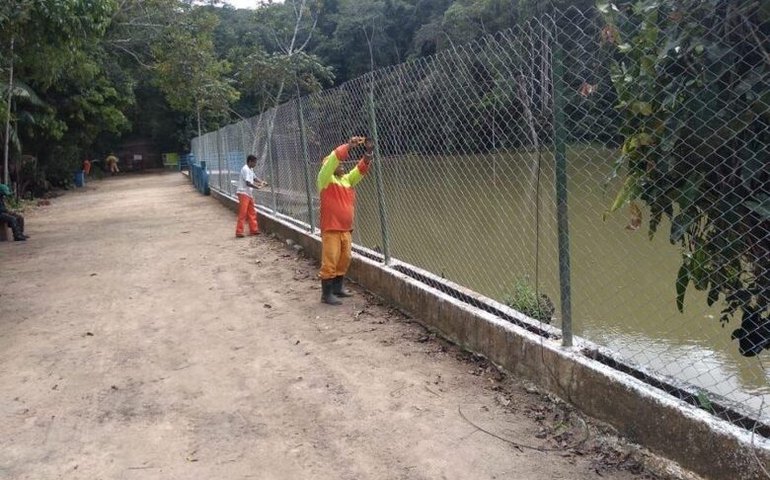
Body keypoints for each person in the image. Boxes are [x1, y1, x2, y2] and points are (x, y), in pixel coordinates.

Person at [317, 135, 374, 305]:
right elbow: (335, 157)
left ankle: (337, 288)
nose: (342, 164)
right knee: (330, 260)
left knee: (345, 258)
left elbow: (360, 170)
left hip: (345, 228)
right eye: (339, 163)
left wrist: (368, 153)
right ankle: (326, 294)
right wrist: (348, 146)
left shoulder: (347, 180)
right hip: (332, 228)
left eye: (342, 163)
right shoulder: (325, 179)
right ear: (331, 167)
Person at [235, 154, 267, 238]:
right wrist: (258, 187)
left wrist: (261, 182)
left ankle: (254, 230)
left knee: (252, 212)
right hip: (243, 193)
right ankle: (239, 231)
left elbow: (254, 178)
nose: (255, 164)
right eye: (254, 162)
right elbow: (248, 183)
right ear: (250, 162)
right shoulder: (245, 169)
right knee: (243, 213)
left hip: (248, 193)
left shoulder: (250, 169)